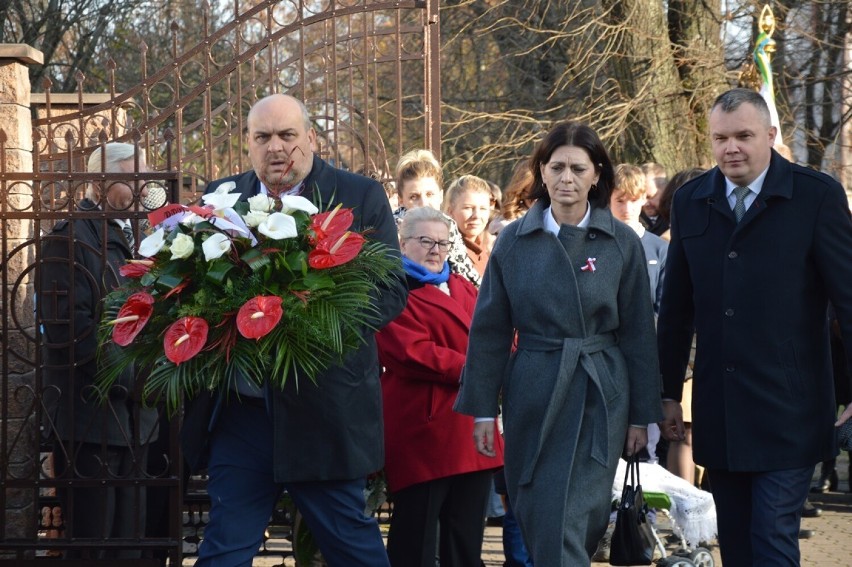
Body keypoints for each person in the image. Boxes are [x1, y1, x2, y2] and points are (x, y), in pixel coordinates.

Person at [180, 94, 408, 567]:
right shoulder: (220, 200)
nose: (276, 148)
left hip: (323, 412)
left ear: (311, 138)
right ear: (248, 144)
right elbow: (191, 290)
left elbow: (388, 292)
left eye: (287, 135)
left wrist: (305, 330)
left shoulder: (359, 196)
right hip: (243, 415)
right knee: (223, 549)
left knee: (354, 549)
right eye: (262, 137)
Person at [657, 87, 852, 566]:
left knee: (771, 539)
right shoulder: (690, 200)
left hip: (793, 409)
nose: (731, 148)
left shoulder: (816, 196)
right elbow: (676, 308)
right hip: (720, 411)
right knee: (739, 547)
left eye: (744, 135)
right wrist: (664, 394)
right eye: (720, 138)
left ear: (770, 135)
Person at [454, 121, 662, 565]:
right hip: (534, 387)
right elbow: (489, 331)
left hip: (599, 391)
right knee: (539, 511)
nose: (567, 178)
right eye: (557, 167)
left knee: (573, 518)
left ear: (596, 174)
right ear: (542, 173)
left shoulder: (620, 242)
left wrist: (642, 418)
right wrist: (483, 411)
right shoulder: (513, 240)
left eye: (578, 168)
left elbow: (639, 334)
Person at [39, 142, 159, 559]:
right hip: (91, 423)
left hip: (138, 424)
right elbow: (72, 333)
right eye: (133, 179)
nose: (143, 190)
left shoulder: (139, 238)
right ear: (99, 181)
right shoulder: (69, 239)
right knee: (95, 549)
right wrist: (136, 381)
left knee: (131, 548)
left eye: (146, 179)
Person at [376, 206, 504, 567]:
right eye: (425, 241)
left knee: (465, 538)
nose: (436, 249)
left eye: (443, 243)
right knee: (414, 540)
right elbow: (411, 352)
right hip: (425, 429)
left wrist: (504, 358)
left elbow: (496, 332)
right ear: (402, 244)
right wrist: (477, 368)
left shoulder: (463, 286)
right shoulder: (393, 291)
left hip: (471, 427)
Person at [393, 149, 481, 286]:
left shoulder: (449, 225)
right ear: (400, 200)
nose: (423, 203)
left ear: (440, 195)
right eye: (414, 197)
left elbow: (466, 274)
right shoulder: (391, 227)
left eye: (429, 194)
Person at [610, 163, 667, 316]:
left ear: (643, 198)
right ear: (608, 199)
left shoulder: (660, 250)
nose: (627, 209)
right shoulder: (593, 245)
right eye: (620, 201)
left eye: (633, 200)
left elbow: (664, 309)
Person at [444, 174, 495, 278]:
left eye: (483, 209)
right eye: (468, 208)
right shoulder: (444, 254)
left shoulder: (486, 252)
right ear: (450, 211)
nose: (476, 215)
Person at [639, 162, 668, 236]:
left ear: (665, 191)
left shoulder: (675, 217)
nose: (645, 203)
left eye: (650, 197)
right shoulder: (632, 219)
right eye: (640, 197)